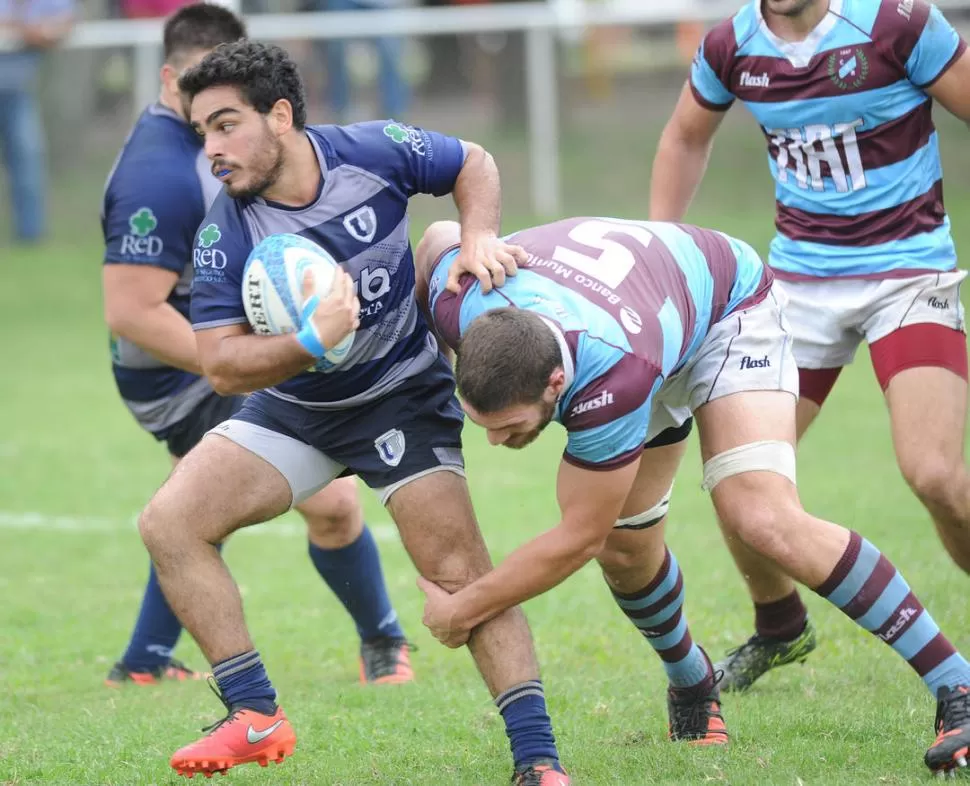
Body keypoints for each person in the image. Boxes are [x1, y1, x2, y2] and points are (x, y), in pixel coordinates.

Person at [137, 39, 570, 785]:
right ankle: (254, 713)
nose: (212, 148)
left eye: (226, 124)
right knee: (170, 523)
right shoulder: (227, 230)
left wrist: (478, 233)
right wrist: (310, 341)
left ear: (280, 115)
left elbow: (473, 161)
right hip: (295, 411)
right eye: (201, 130)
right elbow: (218, 360)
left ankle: (539, 762)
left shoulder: (374, 150)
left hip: (402, 397)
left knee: (461, 576)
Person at [412, 216, 970, 776]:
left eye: (508, 425)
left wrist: (465, 608)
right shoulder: (457, 300)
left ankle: (957, 685)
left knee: (760, 513)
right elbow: (438, 235)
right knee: (626, 550)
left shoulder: (613, 376)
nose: (494, 439)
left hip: (725, 307)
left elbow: (574, 539)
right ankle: (691, 680)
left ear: (556, 383)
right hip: (639, 314)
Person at [648, 0, 970, 693]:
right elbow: (684, 136)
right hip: (797, 287)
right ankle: (779, 626)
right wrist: (659, 249)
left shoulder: (897, 23)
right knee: (737, 478)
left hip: (907, 274)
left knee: (934, 474)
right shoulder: (731, 44)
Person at [101, 4, 413, 690]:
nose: (212, 122)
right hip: (173, 375)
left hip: (199, 360)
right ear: (171, 78)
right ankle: (385, 644)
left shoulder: (201, 150)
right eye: (200, 97)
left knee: (193, 510)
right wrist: (240, 362)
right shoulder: (160, 170)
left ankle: (144, 661)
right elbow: (128, 311)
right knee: (327, 504)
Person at [0, 0, 75, 243]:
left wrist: (26, 31)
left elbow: (66, 23)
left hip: (18, 88)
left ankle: (29, 235)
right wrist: (26, 30)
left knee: (27, 158)